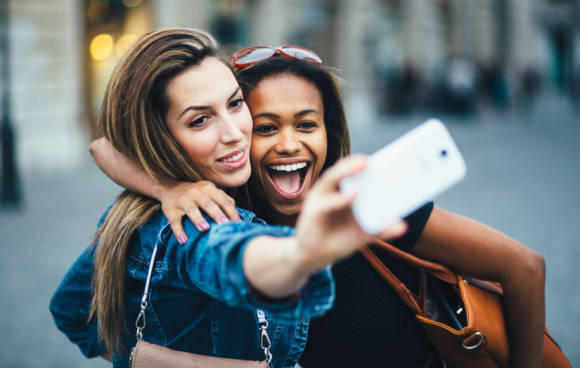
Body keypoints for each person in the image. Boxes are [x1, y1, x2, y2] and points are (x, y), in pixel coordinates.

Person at [88, 46, 546, 367]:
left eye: (307, 124)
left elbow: (525, 266)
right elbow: (104, 146)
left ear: (330, 132)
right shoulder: (220, 216)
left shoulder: (371, 203)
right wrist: (167, 188)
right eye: (266, 128)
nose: (290, 144)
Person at [49, 29, 407, 368]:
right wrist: (300, 254)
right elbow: (230, 255)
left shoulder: (130, 211)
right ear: (159, 137)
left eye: (235, 103)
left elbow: (71, 311)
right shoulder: (194, 222)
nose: (235, 134)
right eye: (200, 121)